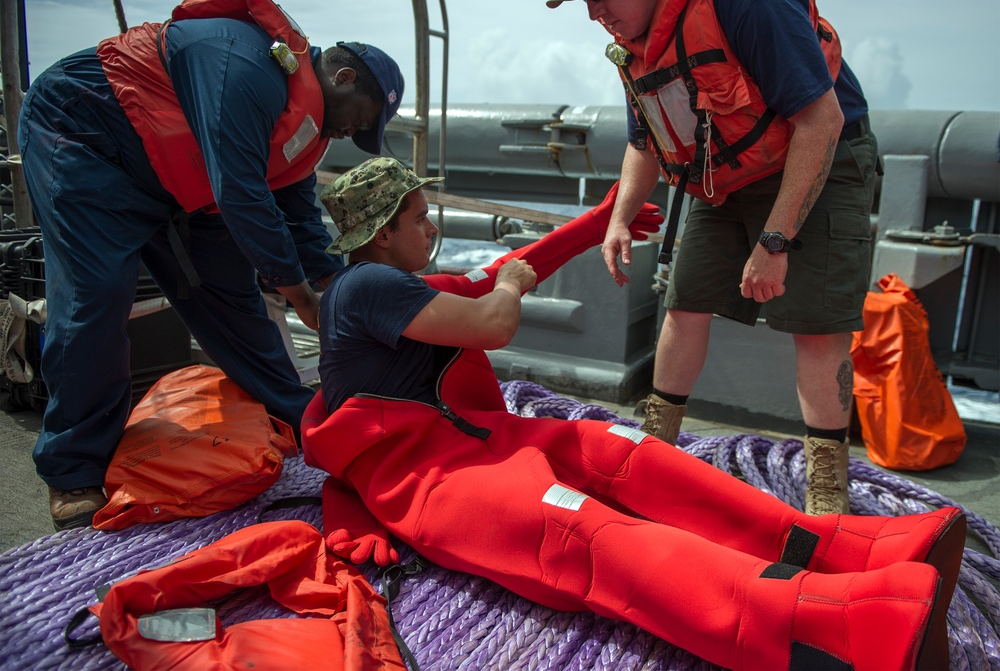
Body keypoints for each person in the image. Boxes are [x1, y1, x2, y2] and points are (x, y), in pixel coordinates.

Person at [301, 156, 963, 671]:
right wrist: (354, 506)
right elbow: (494, 314)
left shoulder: (392, 286)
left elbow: (505, 270)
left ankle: (844, 550)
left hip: (486, 443)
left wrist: (596, 224)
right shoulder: (365, 286)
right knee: (590, 535)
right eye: (420, 218)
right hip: (439, 485)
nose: (432, 227)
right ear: (383, 235)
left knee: (630, 456)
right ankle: (827, 626)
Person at [16, 0, 404, 530]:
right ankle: (73, 466)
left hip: (179, 181)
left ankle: (300, 418)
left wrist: (337, 291)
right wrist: (301, 296)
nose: (351, 135)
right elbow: (242, 193)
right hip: (87, 140)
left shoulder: (308, 128)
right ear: (343, 79)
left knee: (230, 298)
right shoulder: (240, 61)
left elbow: (296, 214)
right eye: (360, 120)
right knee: (95, 299)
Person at [546, 0, 878, 516]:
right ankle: (652, 451)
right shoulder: (633, 44)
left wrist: (775, 240)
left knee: (817, 327)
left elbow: (823, 119)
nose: (594, 12)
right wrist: (619, 218)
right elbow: (645, 141)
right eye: (585, 0)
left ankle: (826, 494)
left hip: (817, 151)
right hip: (724, 172)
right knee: (685, 303)